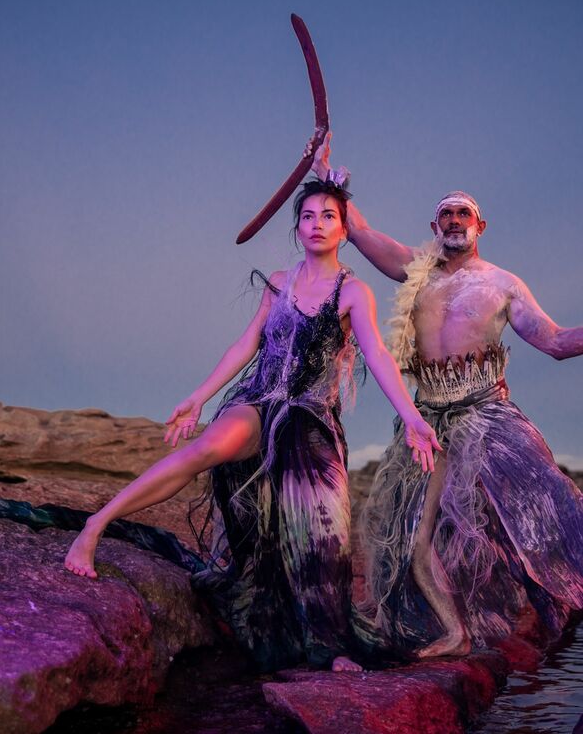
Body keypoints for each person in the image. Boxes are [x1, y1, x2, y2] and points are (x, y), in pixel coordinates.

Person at [64, 177, 440, 673]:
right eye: (308, 216)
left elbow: (378, 356)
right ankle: (95, 525)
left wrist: (412, 416)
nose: (317, 224)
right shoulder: (280, 283)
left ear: (345, 229)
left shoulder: (354, 292)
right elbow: (245, 347)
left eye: (329, 216)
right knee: (203, 449)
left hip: (310, 421)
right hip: (260, 403)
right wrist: (198, 398)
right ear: (297, 227)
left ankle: (331, 648)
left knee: (322, 537)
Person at [308, 134, 583, 660]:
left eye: (464, 214)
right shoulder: (416, 269)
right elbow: (359, 230)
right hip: (428, 418)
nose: (455, 221)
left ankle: (547, 613)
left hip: (488, 416)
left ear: (480, 226)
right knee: (412, 539)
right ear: (436, 228)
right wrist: (328, 181)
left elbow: (554, 341)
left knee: (542, 516)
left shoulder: (503, 284)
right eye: (446, 216)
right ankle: (454, 632)